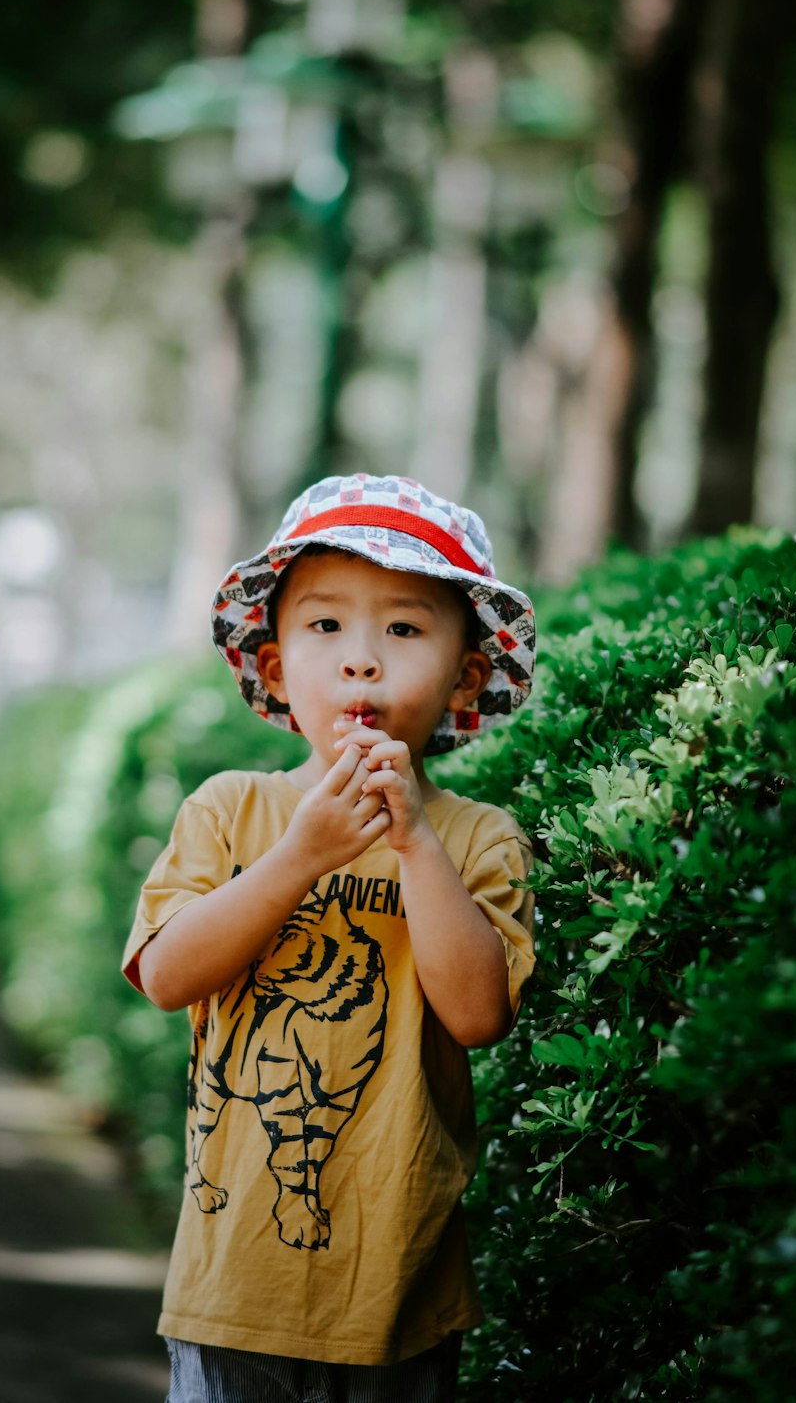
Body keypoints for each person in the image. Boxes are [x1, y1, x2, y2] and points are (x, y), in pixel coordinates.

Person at [121, 473, 537, 1403]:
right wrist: (299, 856)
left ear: (467, 674)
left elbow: (476, 1015)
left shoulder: (477, 838)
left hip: (399, 1287)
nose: (362, 661)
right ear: (273, 668)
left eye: (403, 628)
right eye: (325, 627)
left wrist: (414, 843)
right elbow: (166, 974)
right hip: (233, 1291)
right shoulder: (232, 810)